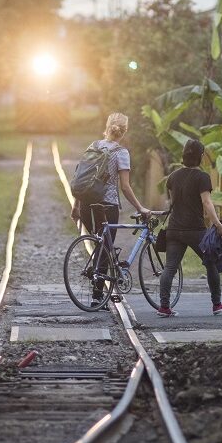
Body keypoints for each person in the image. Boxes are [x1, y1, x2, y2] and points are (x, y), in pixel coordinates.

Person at [71, 113, 150, 304]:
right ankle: (97, 298)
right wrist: (140, 208)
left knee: (100, 245)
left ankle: (98, 280)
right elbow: (125, 186)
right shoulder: (121, 153)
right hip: (107, 206)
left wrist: (76, 205)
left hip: (86, 205)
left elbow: (80, 177)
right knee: (105, 248)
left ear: (107, 127)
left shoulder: (93, 146)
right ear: (124, 131)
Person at [157, 140, 222, 318]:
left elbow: (173, 201)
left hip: (174, 229)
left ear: (184, 156)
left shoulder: (173, 176)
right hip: (195, 231)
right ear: (200, 157)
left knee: (169, 268)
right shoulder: (202, 177)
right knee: (211, 262)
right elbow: (206, 202)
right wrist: (218, 225)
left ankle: (164, 307)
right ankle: (217, 304)